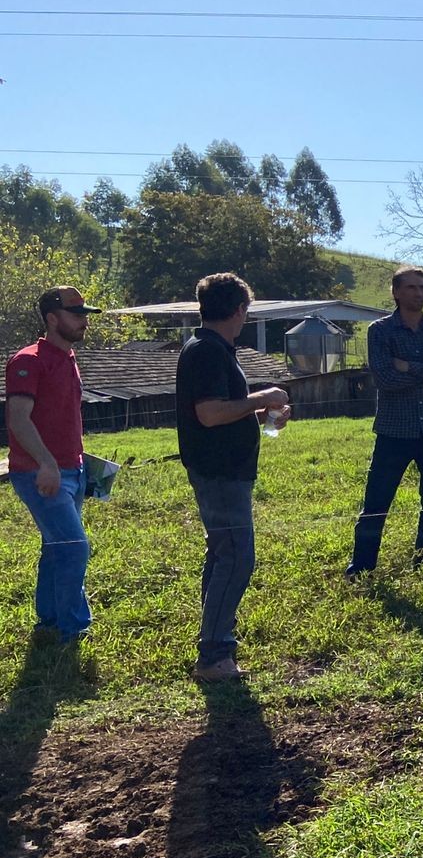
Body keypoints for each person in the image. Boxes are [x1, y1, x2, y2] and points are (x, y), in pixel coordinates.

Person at [175, 273, 290, 681]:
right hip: (220, 472)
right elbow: (208, 414)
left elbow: (218, 410)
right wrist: (264, 397)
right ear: (240, 309)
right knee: (238, 557)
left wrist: (256, 414)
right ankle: (213, 655)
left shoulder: (211, 348)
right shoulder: (208, 351)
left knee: (222, 554)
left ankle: (214, 641)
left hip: (222, 470)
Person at [347, 267, 423, 576]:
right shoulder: (380, 331)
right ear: (396, 292)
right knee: (377, 501)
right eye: (411, 287)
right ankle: (361, 567)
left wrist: (408, 366)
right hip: (394, 431)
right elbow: (385, 379)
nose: (419, 293)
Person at [5, 287, 99, 648]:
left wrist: (82, 462)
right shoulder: (28, 360)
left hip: (71, 470)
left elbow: (62, 419)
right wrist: (46, 463)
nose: (84, 320)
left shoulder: (69, 357)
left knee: (57, 545)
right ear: (52, 318)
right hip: (39, 472)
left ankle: (49, 620)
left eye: (85, 313)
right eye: (76, 313)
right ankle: (74, 630)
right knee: (74, 546)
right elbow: (18, 418)